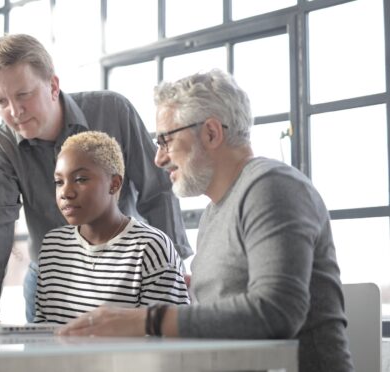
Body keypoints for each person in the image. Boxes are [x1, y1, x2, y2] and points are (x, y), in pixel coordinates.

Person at [57, 69, 355, 371]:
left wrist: (146, 319)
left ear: (211, 132)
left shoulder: (272, 186)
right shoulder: (215, 211)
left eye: (166, 140)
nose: (159, 158)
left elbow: (276, 312)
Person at [0, 33, 192, 322]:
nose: (14, 112)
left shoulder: (112, 110)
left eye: (23, 95)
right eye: (1, 101)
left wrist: (174, 268)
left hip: (121, 274)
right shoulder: (4, 142)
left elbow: (157, 190)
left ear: (53, 86)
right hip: (51, 279)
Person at [34, 131, 190, 324]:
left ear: (114, 184)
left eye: (81, 179)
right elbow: (42, 328)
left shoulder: (150, 248)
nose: (65, 192)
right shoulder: (53, 246)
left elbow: (168, 335)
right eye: (59, 182)